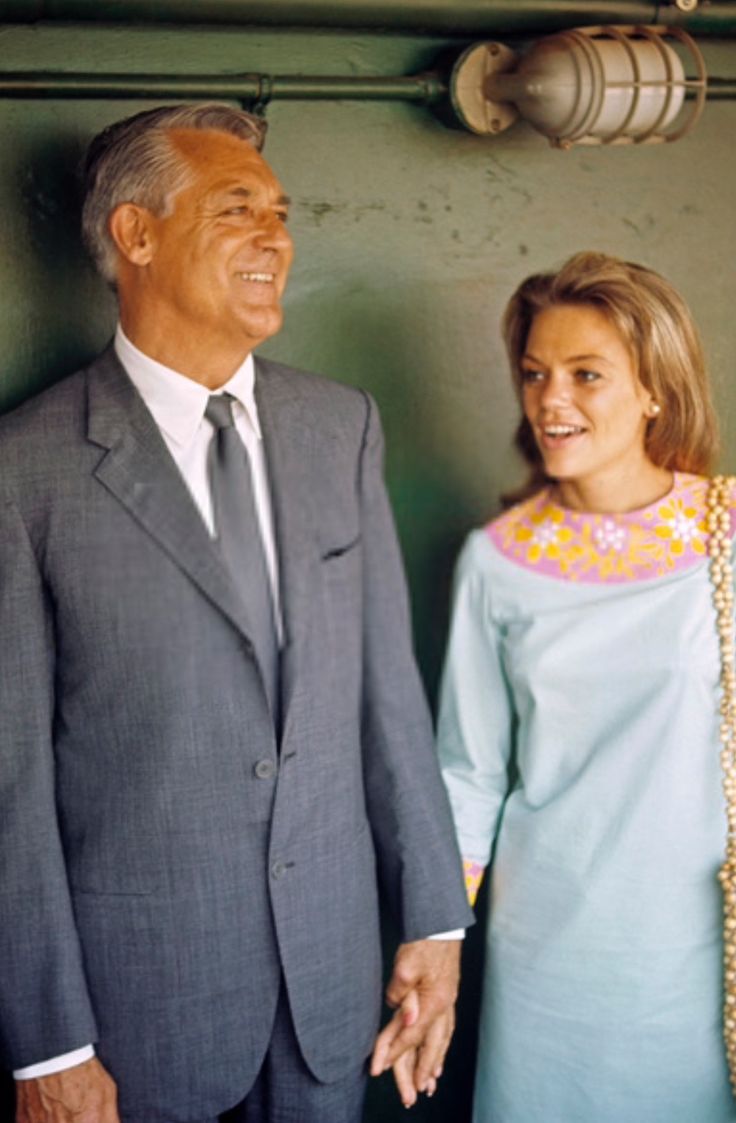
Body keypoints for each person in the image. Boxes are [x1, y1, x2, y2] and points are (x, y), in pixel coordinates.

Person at [0, 103, 473, 1123]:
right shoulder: (23, 467)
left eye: (281, 211)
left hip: (332, 995)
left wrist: (434, 919)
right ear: (136, 234)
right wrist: (48, 1046)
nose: (276, 237)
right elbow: (11, 781)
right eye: (236, 208)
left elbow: (387, 695)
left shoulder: (340, 426)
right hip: (132, 1021)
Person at [437, 251, 736, 1123]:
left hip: (699, 936)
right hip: (549, 947)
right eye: (535, 374)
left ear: (654, 389)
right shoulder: (498, 561)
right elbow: (468, 772)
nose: (550, 399)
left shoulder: (726, 533)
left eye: (586, 374)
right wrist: (440, 942)